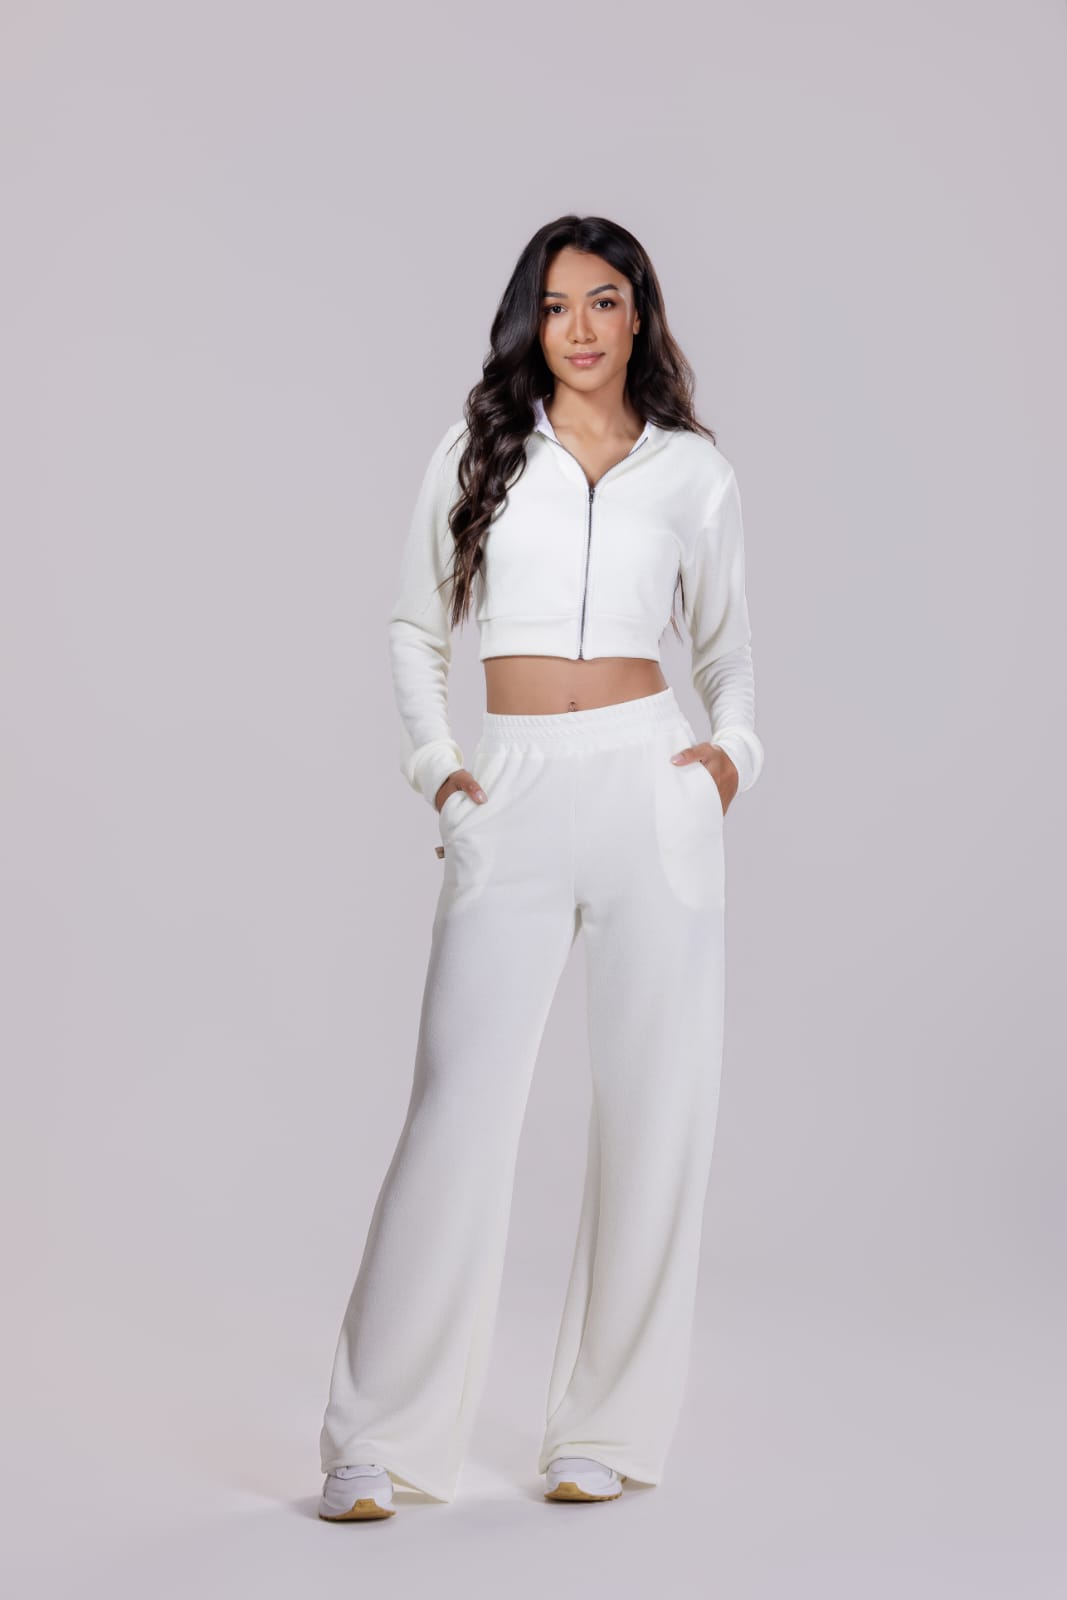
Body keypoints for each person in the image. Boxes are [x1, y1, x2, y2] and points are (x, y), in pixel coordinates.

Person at [317, 214, 765, 1520]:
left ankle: (605, 1432)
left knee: (656, 1111)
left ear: (640, 316)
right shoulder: (480, 451)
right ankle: (379, 1440)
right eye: (558, 304)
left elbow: (729, 652)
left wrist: (726, 761)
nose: (579, 327)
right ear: (533, 317)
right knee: (458, 1107)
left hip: (649, 787)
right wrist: (442, 770)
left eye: (604, 300)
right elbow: (415, 626)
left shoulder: (693, 474)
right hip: (511, 788)